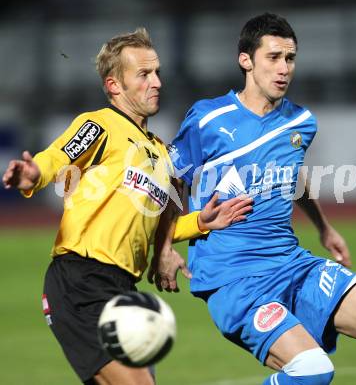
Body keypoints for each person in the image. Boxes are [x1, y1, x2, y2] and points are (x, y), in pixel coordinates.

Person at [150, 13, 356, 385]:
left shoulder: (300, 122)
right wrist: (164, 247)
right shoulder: (209, 119)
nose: (284, 68)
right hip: (233, 278)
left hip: (290, 263)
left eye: (289, 58)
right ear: (246, 60)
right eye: (273, 57)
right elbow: (170, 183)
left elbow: (292, 176)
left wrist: (323, 227)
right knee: (313, 373)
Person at [2, 28, 252, 385]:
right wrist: (31, 174)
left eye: (158, 72)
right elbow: (57, 158)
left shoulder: (160, 151)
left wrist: (200, 223)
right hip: (81, 280)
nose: (157, 82)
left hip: (121, 287)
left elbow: (152, 228)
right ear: (114, 85)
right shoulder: (100, 125)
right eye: (144, 74)